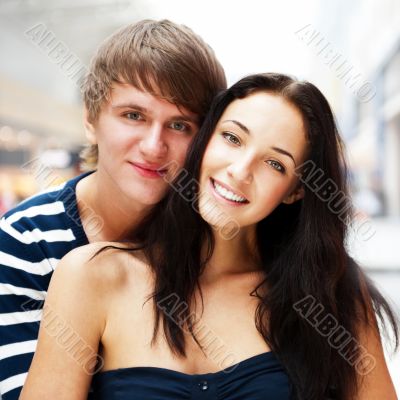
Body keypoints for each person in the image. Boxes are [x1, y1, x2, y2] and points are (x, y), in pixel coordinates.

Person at [20, 73, 399, 399]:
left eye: (274, 163)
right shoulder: (92, 276)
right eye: (232, 139)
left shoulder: (331, 292)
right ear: (204, 140)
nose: (240, 170)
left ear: (295, 190)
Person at [0, 19, 226, 400]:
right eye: (133, 116)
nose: (154, 146)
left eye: (179, 125)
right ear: (91, 119)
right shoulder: (25, 241)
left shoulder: (217, 238)